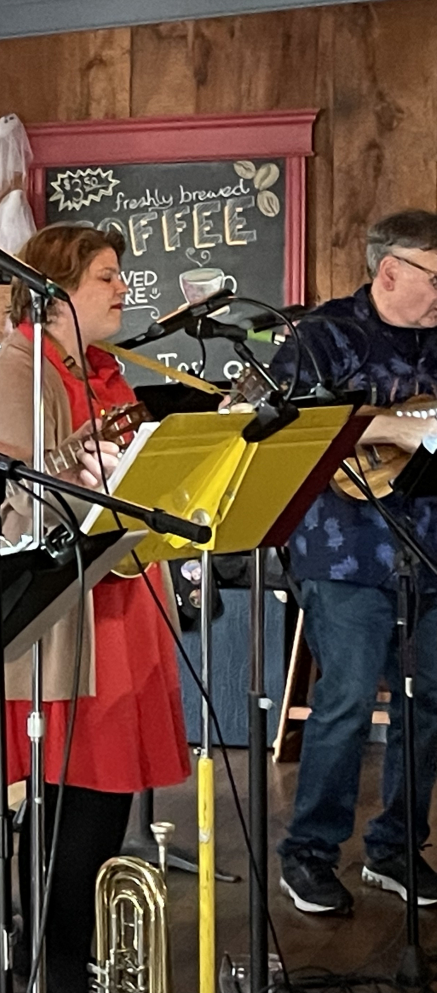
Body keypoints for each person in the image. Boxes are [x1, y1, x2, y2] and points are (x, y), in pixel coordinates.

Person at [0, 222, 190, 991]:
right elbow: (7, 521)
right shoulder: (14, 373)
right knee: (71, 827)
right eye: (104, 275)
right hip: (66, 635)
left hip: (122, 613)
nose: (122, 287)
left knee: (105, 820)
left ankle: (80, 965)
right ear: (54, 292)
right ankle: (54, 971)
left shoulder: (102, 371)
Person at [275, 210, 437, 915]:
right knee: (342, 701)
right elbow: (285, 417)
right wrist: (392, 424)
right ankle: (308, 853)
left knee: (427, 700)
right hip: (341, 548)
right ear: (390, 271)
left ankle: (397, 848)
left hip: (428, 544)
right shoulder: (325, 333)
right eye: (436, 275)